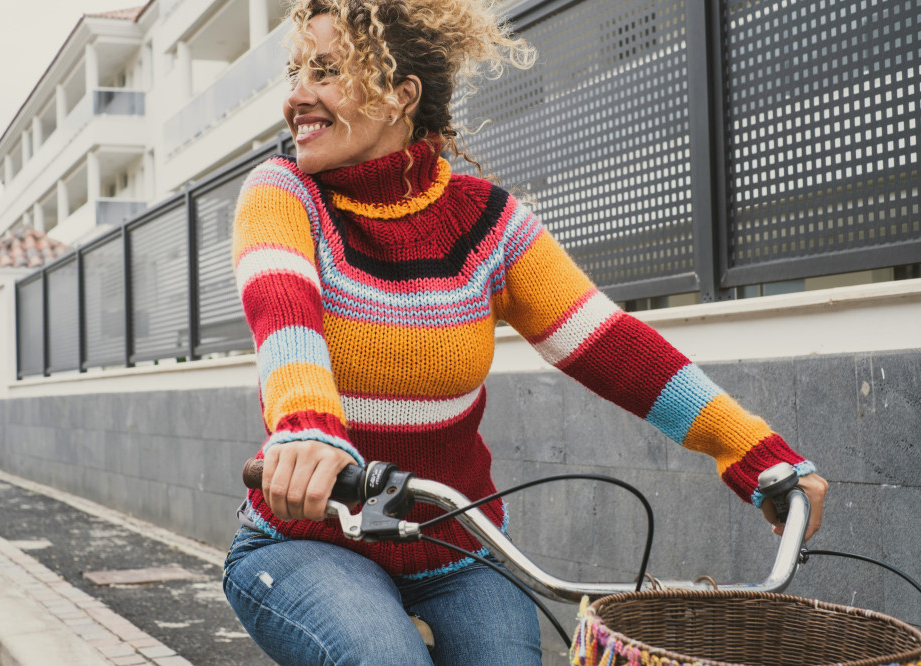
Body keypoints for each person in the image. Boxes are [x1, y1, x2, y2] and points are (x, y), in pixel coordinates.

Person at [222, 0, 829, 663]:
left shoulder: (488, 222)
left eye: (325, 72)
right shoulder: (282, 194)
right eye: (296, 73)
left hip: (456, 545)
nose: (296, 97)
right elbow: (284, 315)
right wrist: (307, 428)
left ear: (401, 96)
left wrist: (753, 449)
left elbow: (612, 345)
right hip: (308, 542)